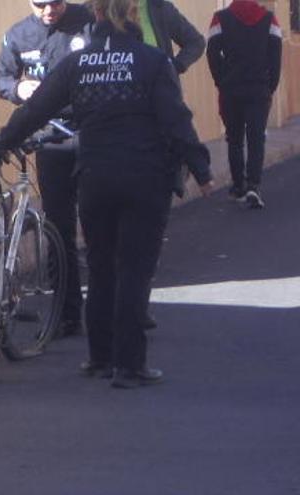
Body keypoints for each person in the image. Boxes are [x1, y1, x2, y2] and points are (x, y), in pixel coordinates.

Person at [0, 0, 213, 388]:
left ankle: (99, 357)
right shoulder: (153, 62)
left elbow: (35, 110)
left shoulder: (78, 64)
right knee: (134, 271)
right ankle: (129, 366)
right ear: (133, 16)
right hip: (144, 177)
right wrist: (201, 170)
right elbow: (177, 121)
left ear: (99, 16)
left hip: (95, 176)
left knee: (102, 269)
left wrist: (1, 142)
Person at [0, 0, 93, 337]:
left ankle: (120, 305)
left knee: (101, 225)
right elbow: (0, 76)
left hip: (91, 132)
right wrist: (18, 89)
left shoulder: (88, 22)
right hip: (49, 137)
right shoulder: (19, 34)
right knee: (59, 228)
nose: (49, 10)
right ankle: (67, 314)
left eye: (57, 2)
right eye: (41, 3)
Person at [136, 0, 205, 331]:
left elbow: (195, 41)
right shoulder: (100, 8)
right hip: (119, 107)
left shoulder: (160, 8)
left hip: (159, 103)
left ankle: (139, 300)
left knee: (150, 216)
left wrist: (175, 66)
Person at [206, 0, 282, 209]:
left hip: (232, 89)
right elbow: (276, 57)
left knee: (235, 138)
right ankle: (253, 186)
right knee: (256, 138)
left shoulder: (220, 18)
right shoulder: (269, 19)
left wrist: (221, 80)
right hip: (259, 90)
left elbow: (211, 53)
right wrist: (270, 86)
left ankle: (238, 185)